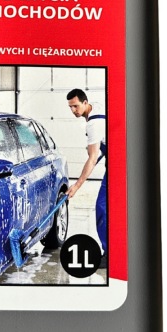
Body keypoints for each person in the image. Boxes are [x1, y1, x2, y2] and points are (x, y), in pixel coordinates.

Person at [66, 88, 107, 268]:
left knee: (102, 206)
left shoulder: (93, 124)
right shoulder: (96, 107)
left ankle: (109, 253)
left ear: (85, 102)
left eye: (76, 106)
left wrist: (76, 186)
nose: (73, 110)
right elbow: (97, 153)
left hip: (119, 163)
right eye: (70, 107)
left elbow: (92, 158)